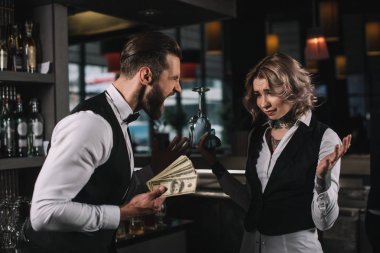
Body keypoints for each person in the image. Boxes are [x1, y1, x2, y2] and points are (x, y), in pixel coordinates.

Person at [26, 31, 189, 253]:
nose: (178, 88)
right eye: (174, 78)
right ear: (146, 76)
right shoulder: (91, 124)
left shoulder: (118, 119)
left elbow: (112, 189)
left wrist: (154, 169)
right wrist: (123, 213)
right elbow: (43, 213)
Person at [198, 53, 351, 253]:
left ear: (292, 88)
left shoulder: (325, 137)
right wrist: (213, 163)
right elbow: (251, 202)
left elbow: (325, 222)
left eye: (270, 92)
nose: (263, 103)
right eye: (258, 94)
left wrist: (322, 180)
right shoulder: (257, 135)